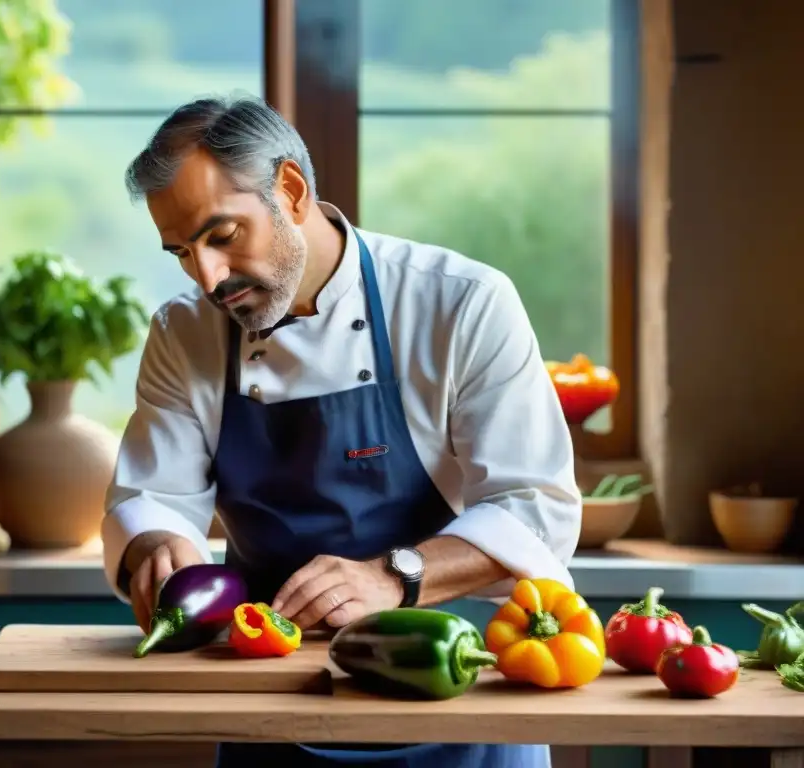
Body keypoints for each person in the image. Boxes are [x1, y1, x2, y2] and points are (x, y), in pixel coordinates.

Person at [101, 94, 581, 768]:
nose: (206, 276)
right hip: (267, 713)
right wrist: (154, 548)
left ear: (290, 190)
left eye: (221, 235)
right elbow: (155, 498)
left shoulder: (461, 303)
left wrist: (398, 575)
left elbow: (537, 509)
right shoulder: (182, 333)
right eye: (182, 251)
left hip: (454, 692)